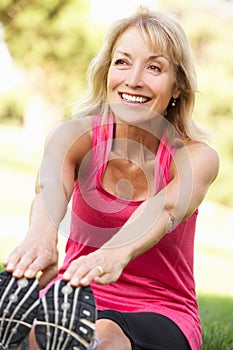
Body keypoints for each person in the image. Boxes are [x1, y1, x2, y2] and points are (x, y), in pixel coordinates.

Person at [0, 6, 219, 350]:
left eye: (154, 67)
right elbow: (49, 187)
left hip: (160, 307)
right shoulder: (71, 136)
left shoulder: (195, 157)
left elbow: (167, 209)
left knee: (101, 338)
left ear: (177, 87)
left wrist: (116, 252)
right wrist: (40, 239)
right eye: (122, 62)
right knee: (39, 336)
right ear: (106, 72)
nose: (133, 79)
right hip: (72, 294)